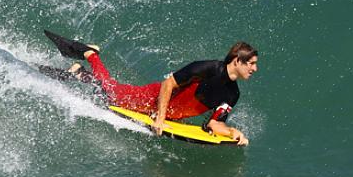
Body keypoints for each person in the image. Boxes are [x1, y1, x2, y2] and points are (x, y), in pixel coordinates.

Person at [59, 36, 258, 146]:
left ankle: (81, 74)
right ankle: (91, 54)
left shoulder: (233, 94)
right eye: (251, 63)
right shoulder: (207, 68)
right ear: (237, 61)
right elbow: (168, 84)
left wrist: (233, 132)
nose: (254, 69)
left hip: (169, 115)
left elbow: (214, 123)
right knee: (111, 93)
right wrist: (160, 118)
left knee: (107, 94)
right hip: (153, 100)